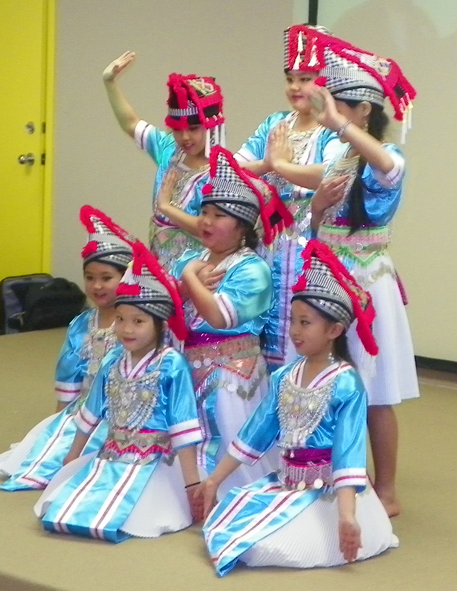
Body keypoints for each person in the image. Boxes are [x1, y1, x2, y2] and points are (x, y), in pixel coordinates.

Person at [197, 239, 398, 576]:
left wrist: (347, 516)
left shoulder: (347, 383)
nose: (294, 331)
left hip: (332, 494)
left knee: (268, 548)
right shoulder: (287, 376)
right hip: (288, 482)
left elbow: (349, 452)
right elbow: (256, 434)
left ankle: (350, 523)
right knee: (229, 520)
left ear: (334, 330)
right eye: (293, 321)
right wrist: (214, 480)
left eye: (306, 323)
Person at [301, 29, 418, 517]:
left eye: (339, 107)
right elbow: (315, 225)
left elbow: (388, 166)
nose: (330, 116)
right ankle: (328, 473)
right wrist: (316, 209)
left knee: (376, 390)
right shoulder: (334, 156)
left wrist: (339, 126)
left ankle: (386, 488)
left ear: (362, 111)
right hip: (328, 275)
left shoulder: (385, 158)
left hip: (367, 281)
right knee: (322, 380)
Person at [35, 241, 203, 542]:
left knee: (133, 516)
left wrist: (192, 485)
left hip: (154, 461)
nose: (126, 329)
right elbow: (91, 412)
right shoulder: (113, 359)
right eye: (122, 319)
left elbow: (183, 426)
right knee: (63, 513)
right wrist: (71, 458)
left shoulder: (171, 364)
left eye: (138, 321)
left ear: (160, 323)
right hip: (111, 453)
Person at [170, 146, 293, 496]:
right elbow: (165, 309)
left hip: (231, 372)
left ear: (241, 227)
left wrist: (190, 278)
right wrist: (185, 281)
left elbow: (217, 316)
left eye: (218, 215)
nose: (206, 221)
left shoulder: (251, 269)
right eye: (204, 212)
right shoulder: (194, 257)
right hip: (188, 367)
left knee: (231, 436)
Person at [0, 206, 134, 491]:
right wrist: (56, 423)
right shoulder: (82, 324)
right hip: (82, 412)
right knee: (47, 453)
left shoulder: (134, 324)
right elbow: (70, 380)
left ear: (126, 278)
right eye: (90, 277)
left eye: (107, 278)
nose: (96, 286)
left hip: (124, 414)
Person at [234, 24, 342, 371]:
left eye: (306, 78)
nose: (296, 87)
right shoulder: (276, 123)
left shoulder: (333, 127)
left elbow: (333, 172)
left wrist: (278, 165)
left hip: (312, 244)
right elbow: (234, 167)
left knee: (306, 325)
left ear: (325, 80)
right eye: (290, 78)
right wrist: (268, 163)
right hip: (269, 243)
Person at [103, 51, 225, 271]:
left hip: (196, 270)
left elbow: (210, 230)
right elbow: (131, 123)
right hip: (160, 262)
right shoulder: (169, 149)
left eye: (194, 128)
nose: (185, 137)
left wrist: (166, 207)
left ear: (211, 124)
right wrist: (109, 82)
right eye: (178, 129)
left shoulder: (220, 172)